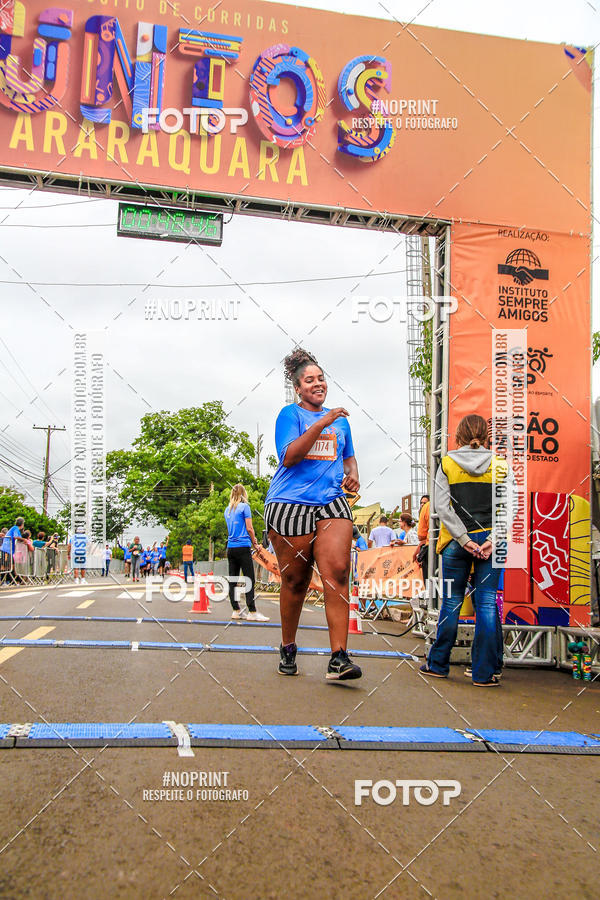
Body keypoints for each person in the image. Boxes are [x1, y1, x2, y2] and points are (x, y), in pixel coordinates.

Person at [264, 347, 362, 681]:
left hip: (331, 501)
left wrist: (353, 475)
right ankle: (288, 646)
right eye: (310, 380)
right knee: (296, 580)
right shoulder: (289, 415)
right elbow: (290, 456)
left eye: (321, 378)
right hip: (290, 502)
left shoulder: (342, 422)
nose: (317, 383)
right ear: (298, 388)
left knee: (337, 573)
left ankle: (339, 658)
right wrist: (323, 421)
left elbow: (348, 458)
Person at [420, 415, 515, 687]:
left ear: (459, 436)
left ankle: (438, 664)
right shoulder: (500, 464)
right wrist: (492, 539)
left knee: (451, 602)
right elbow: (509, 509)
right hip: (491, 542)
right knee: (486, 603)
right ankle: (484, 673)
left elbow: (441, 508)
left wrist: (463, 539)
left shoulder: (447, 463)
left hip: (455, 543)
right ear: (486, 436)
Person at [224, 484, 269, 621]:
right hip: (243, 547)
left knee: (233, 579)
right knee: (249, 578)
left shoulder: (227, 510)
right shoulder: (245, 507)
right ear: (244, 494)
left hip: (230, 548)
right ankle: (252, 611)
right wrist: (255, 543)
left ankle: (236, 610)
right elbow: (249, 528)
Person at [413, 496, 430, 584]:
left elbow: (421, 536)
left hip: (429, 549)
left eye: (425, 503)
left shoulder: (426, 511)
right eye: (421, 503)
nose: (422, 505)